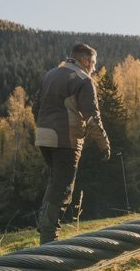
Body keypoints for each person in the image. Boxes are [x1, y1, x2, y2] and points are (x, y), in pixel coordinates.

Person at [33, 43, 110, 245]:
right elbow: (93, 118)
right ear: (85, 61)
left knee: (55, 182)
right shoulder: (84, 80)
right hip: (66, 139)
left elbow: (36, 107)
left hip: (43, 136)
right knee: (64, 187)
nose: (93, 68)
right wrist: (104, 145)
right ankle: (49, 238)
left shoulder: (50, 74)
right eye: (93, 64)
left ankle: (45, 226)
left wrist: (43, 128)